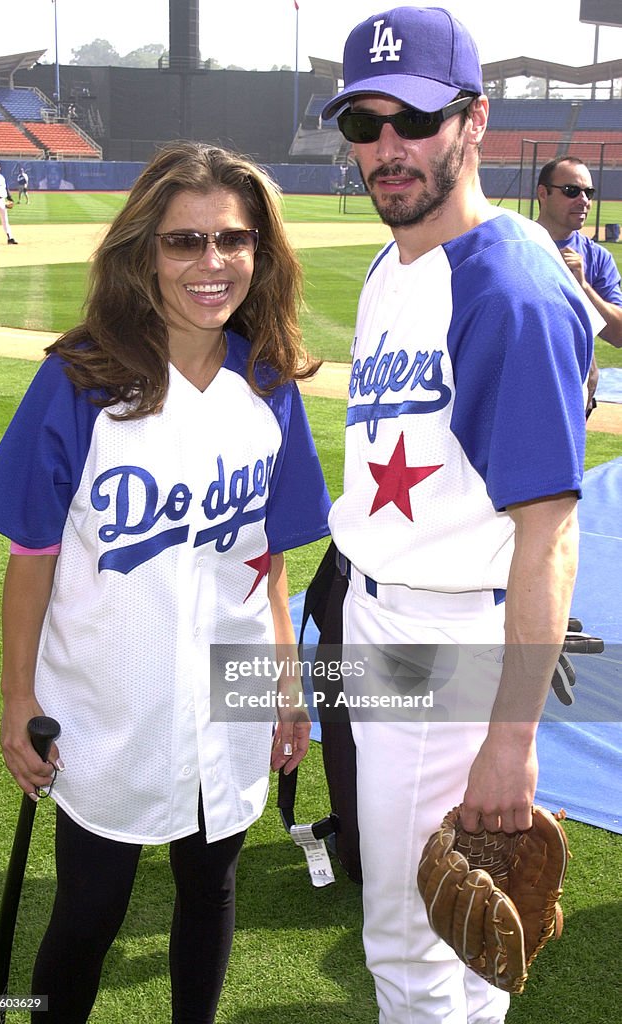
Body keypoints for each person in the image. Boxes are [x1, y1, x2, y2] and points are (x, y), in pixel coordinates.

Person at [0, 140, 330, 1023]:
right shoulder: (82, 376)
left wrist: (286, 685)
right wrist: (19, 699)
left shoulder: (270, 380)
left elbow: (267, 558)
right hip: (107, 697)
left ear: (260, 252)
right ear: (144, 251)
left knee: (212, 889)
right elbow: (33, 557)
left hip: (230, 685)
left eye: (233, 239)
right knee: (88, 914)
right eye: (184, 241)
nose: (212, 263)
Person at [320, 7, 602, 1024]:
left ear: (473, 122)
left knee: (413, 939)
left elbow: (547, 533)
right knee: (453, 932)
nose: (387, 147)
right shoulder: (390, 268)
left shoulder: (510, 286)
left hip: (450, 637)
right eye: (364, 124)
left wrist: (510, 740)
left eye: (416, 119)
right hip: (385, 617)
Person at [536, 155, 622, 416]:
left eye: (589, 192)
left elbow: (618, 334)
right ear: (543, 193)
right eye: (571, 191)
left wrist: (583, 287)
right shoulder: (511, 244)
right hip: (514, 390)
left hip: (572, 399)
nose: (583, 200)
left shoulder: (596, 258)